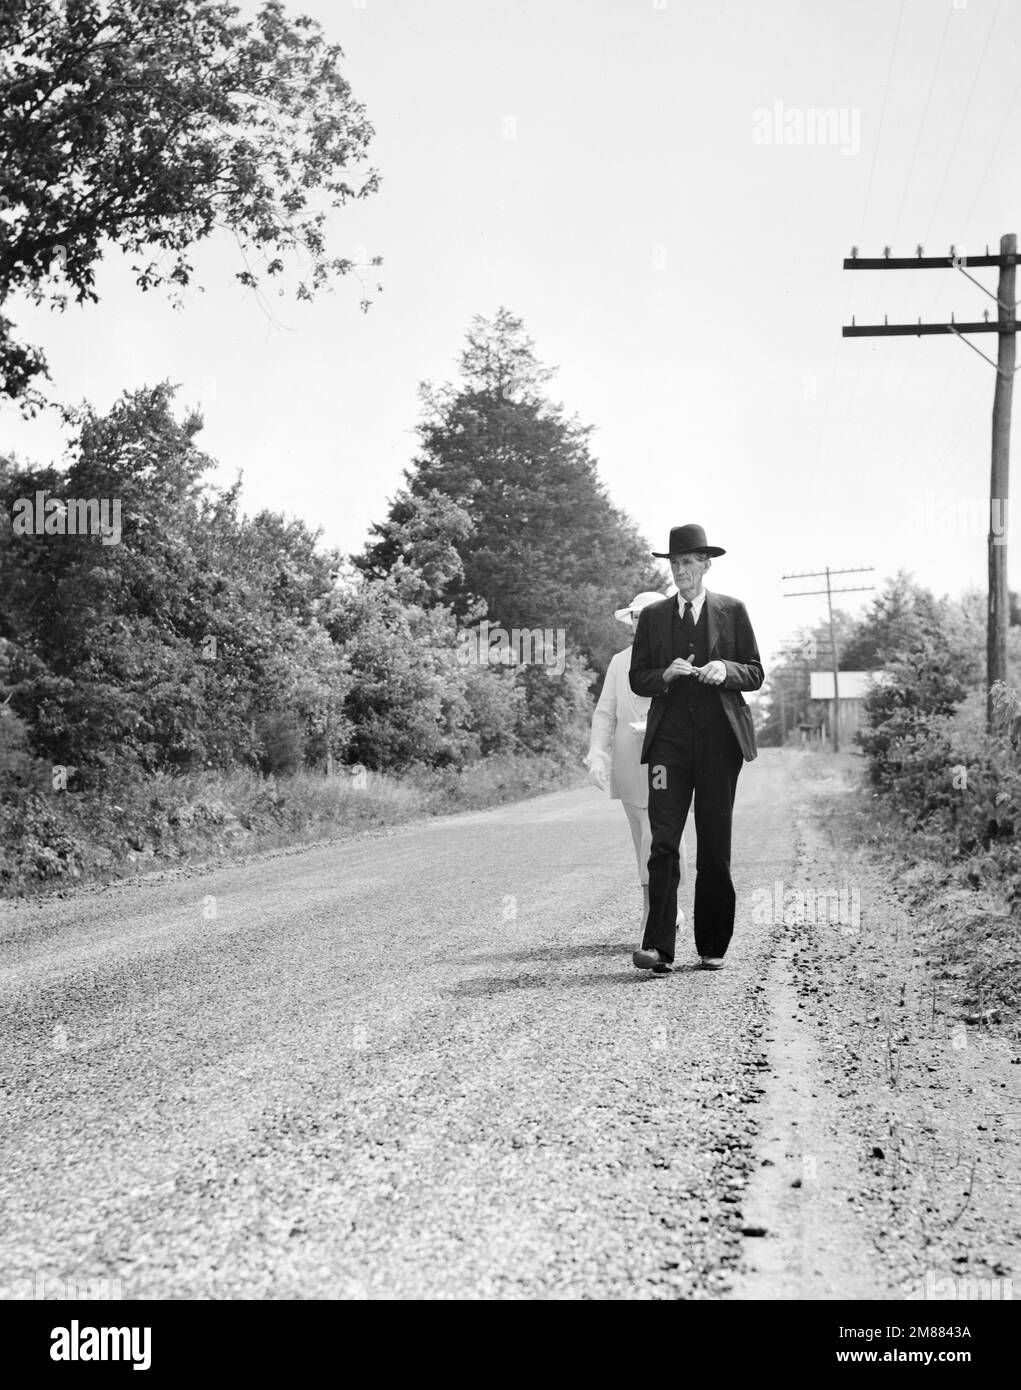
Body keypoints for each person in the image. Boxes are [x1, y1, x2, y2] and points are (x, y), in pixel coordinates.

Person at [628, 524, 763, 973]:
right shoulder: (652, 618)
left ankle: (712, 945)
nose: (681, 570)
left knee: (713, 842)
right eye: (674, 563)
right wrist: (665, 675)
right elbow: (637, 678)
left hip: (719, 744)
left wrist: (724, 669)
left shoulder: (733, 611)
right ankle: (659, 947)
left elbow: (756, 672)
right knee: (663, 841)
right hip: (668, 746)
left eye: (688, 562)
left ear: (706, 565)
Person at [584, 592, 687, 943]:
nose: (642, 623)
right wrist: (597, 753)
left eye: (649, 616)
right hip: (629, 762)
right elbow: (604, 713)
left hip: (668, 760)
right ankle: (667, 906)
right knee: (641, 835)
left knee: (658, 833)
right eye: (637, 617)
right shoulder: (618, 662)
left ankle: (652, 912)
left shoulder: (678, 660)